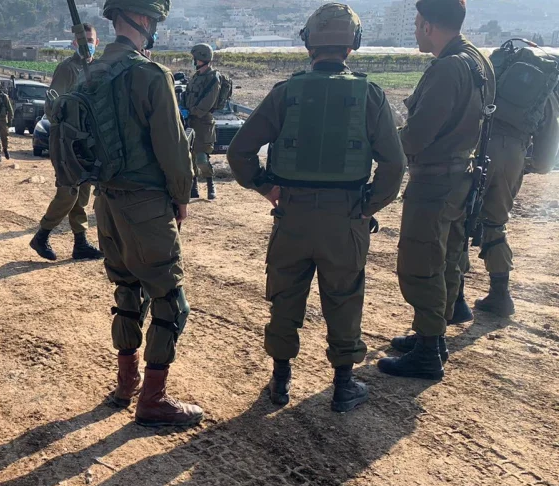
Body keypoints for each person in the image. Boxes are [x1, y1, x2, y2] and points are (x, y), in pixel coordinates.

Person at [226, 3, 406, 413]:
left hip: (292, 214)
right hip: (346, 218)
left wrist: (266, 187)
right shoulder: (370, 95)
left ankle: (280, 380)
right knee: (344, 297)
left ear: (309, 44)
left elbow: (240, 151)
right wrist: (369, 205)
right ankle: (344, 385)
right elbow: (395, 164)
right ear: (352, 44)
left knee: (285, 295)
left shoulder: (285, 93)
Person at [90, 0, 201, 427]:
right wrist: (181, 196)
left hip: (107, 202)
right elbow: (173, 148)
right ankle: (153, 400)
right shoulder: (150, 75)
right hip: (145, 204)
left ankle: (125, 384)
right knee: (171, 302)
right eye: (154, 20)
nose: (154, 27)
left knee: (126, 292)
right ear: (140, 20)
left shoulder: (92, 73)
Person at [378, 0, 495, 381]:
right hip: (461, 175)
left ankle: (428, 351)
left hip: (435, 180)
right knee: (445, 259)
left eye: (416, 24)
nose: (414, 30)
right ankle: (432, 335)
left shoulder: (447, 69)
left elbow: (418, 134)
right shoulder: (478, 60)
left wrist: (380, 146)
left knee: (420, 263)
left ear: (429, 26)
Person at [465, 87, 559, 316]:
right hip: (513, 155)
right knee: (496, 223)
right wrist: (524, 166)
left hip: (475, 148)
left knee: (459, 219)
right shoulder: (544, 87)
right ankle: (500, 294)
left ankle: (454, 297)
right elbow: (546, 157)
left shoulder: (491, 73)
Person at [29, 23, 105, 262]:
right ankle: (41, 235)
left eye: (91, 40)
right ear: (74, 43)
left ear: (98, 42)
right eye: (82, 41)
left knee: (82, 193)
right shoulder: (67, 69)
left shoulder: (99, 70)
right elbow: (52, 108)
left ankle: (80, 243)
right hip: (67, 142)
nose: (87, 45)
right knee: (68, 193)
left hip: (88, 143)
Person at [183, 43, 220, 200]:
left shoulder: (213, 78)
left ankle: (211, 184)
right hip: (191, 121)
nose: (194, 61)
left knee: (202, 158)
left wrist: (192, 111)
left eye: (195, 58)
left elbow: (207, 102)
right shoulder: (195, 77)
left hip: (204, 122)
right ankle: (194, 186)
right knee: (190, 156)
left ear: (202, 58)